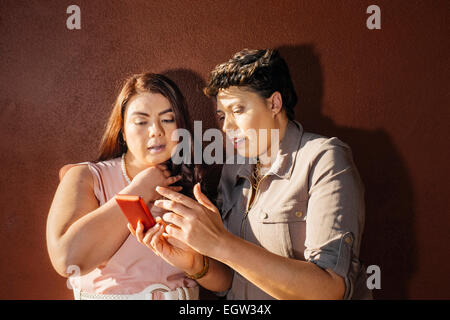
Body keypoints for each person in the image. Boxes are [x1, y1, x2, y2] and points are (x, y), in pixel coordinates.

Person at [133, 49, 372, 299]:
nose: (227, 127)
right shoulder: (234, 167)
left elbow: (331, 289)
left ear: (274, 103)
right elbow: (230, 282)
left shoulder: (324, 159)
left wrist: (219, 242)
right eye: (222, 116)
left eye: (238, 110)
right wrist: (195, 263)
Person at [46, 72, 228, 300]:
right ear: (122, 129)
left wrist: (193, 263)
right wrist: (139, 189)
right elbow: (67, 260)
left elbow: (224, 283)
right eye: (141, 121)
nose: (156, 131)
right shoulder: (87, 177)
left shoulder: (194, 184)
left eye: (168, 119)